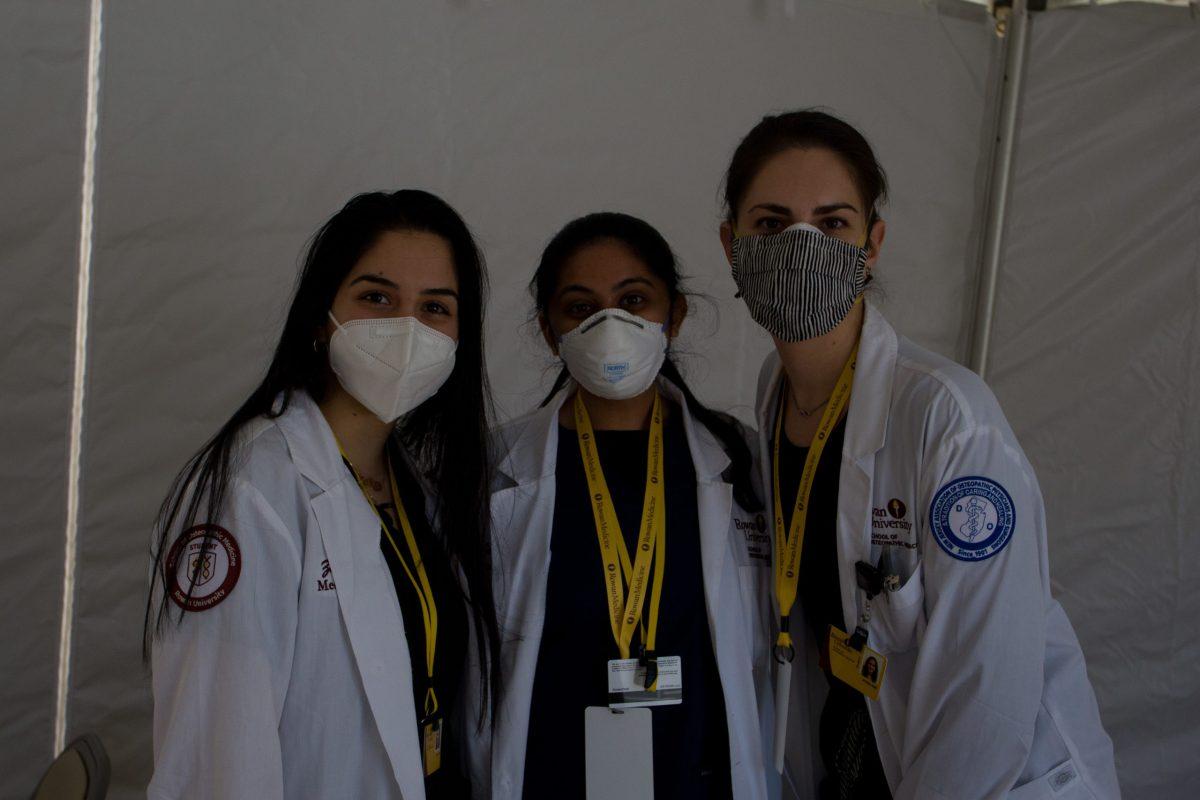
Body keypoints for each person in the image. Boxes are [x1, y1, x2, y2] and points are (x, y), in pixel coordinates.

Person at [718, 111, 1121, 799]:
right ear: (731, 244)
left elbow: (986, 692)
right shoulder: (775, 392)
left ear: (872, 245)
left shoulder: (947, 419)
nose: (801, 247)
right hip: (865, 757)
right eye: (772, 224)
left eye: (833, 223)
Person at [144, 190, 499, 799]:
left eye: (434, 308)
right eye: (376, 298)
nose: (406, 330)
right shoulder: (247, 487)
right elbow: (216, 756)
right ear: (320, 316)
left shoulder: (416, 485)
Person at [480, 213, 774, 799]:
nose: (609, 325)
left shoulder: (741, 460)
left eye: (633, 300)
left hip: (699, 776)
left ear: (676, 315)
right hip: (550, 774)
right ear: (549, 331)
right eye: (579, 307)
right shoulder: (495, 469)